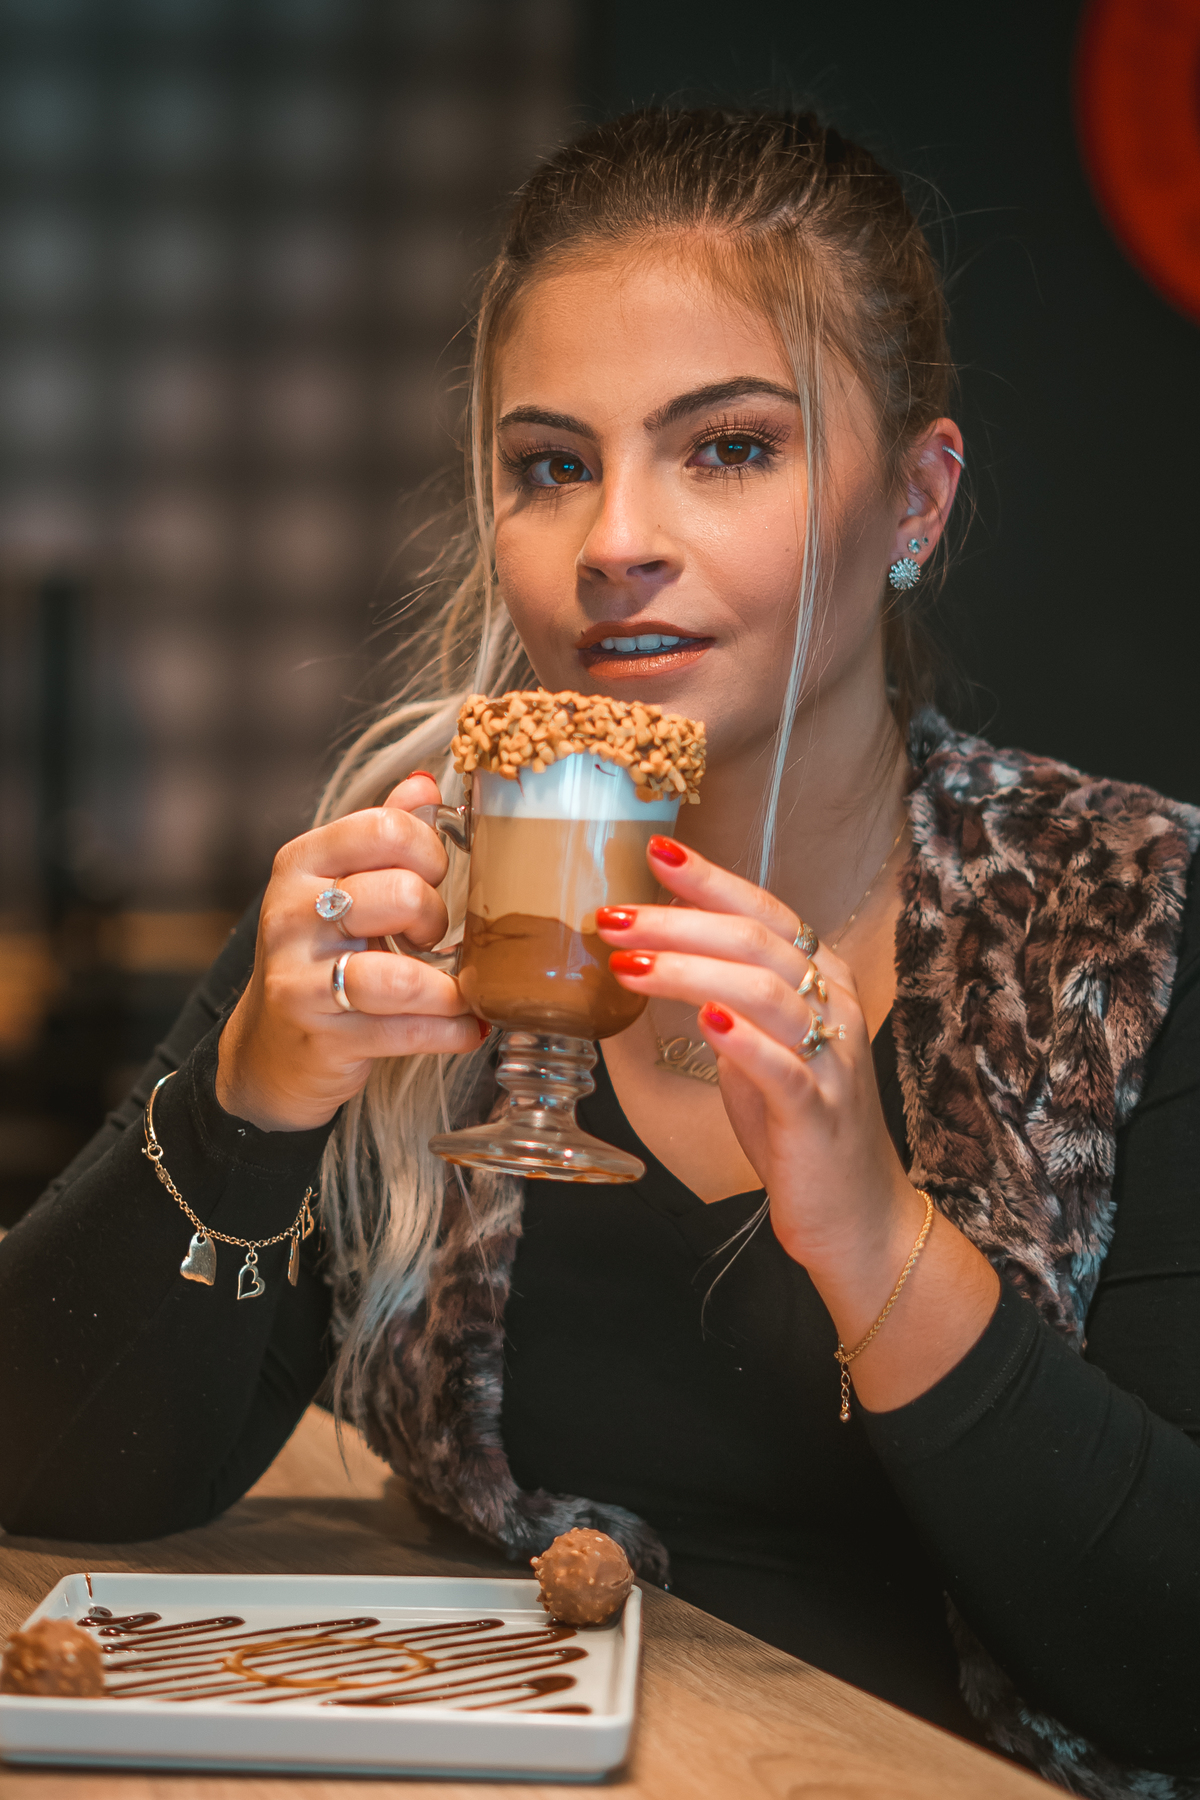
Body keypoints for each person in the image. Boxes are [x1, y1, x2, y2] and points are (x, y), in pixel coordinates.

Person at [1, 108, 1197, 1798]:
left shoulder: (1124, 920)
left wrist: (872, 1239)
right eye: (552, 463)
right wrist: (245, 1104)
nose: (613, 537)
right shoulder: (419, 873)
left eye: (726, 449)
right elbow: (57, 1467)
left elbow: (1174, 1664)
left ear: (915, 497)